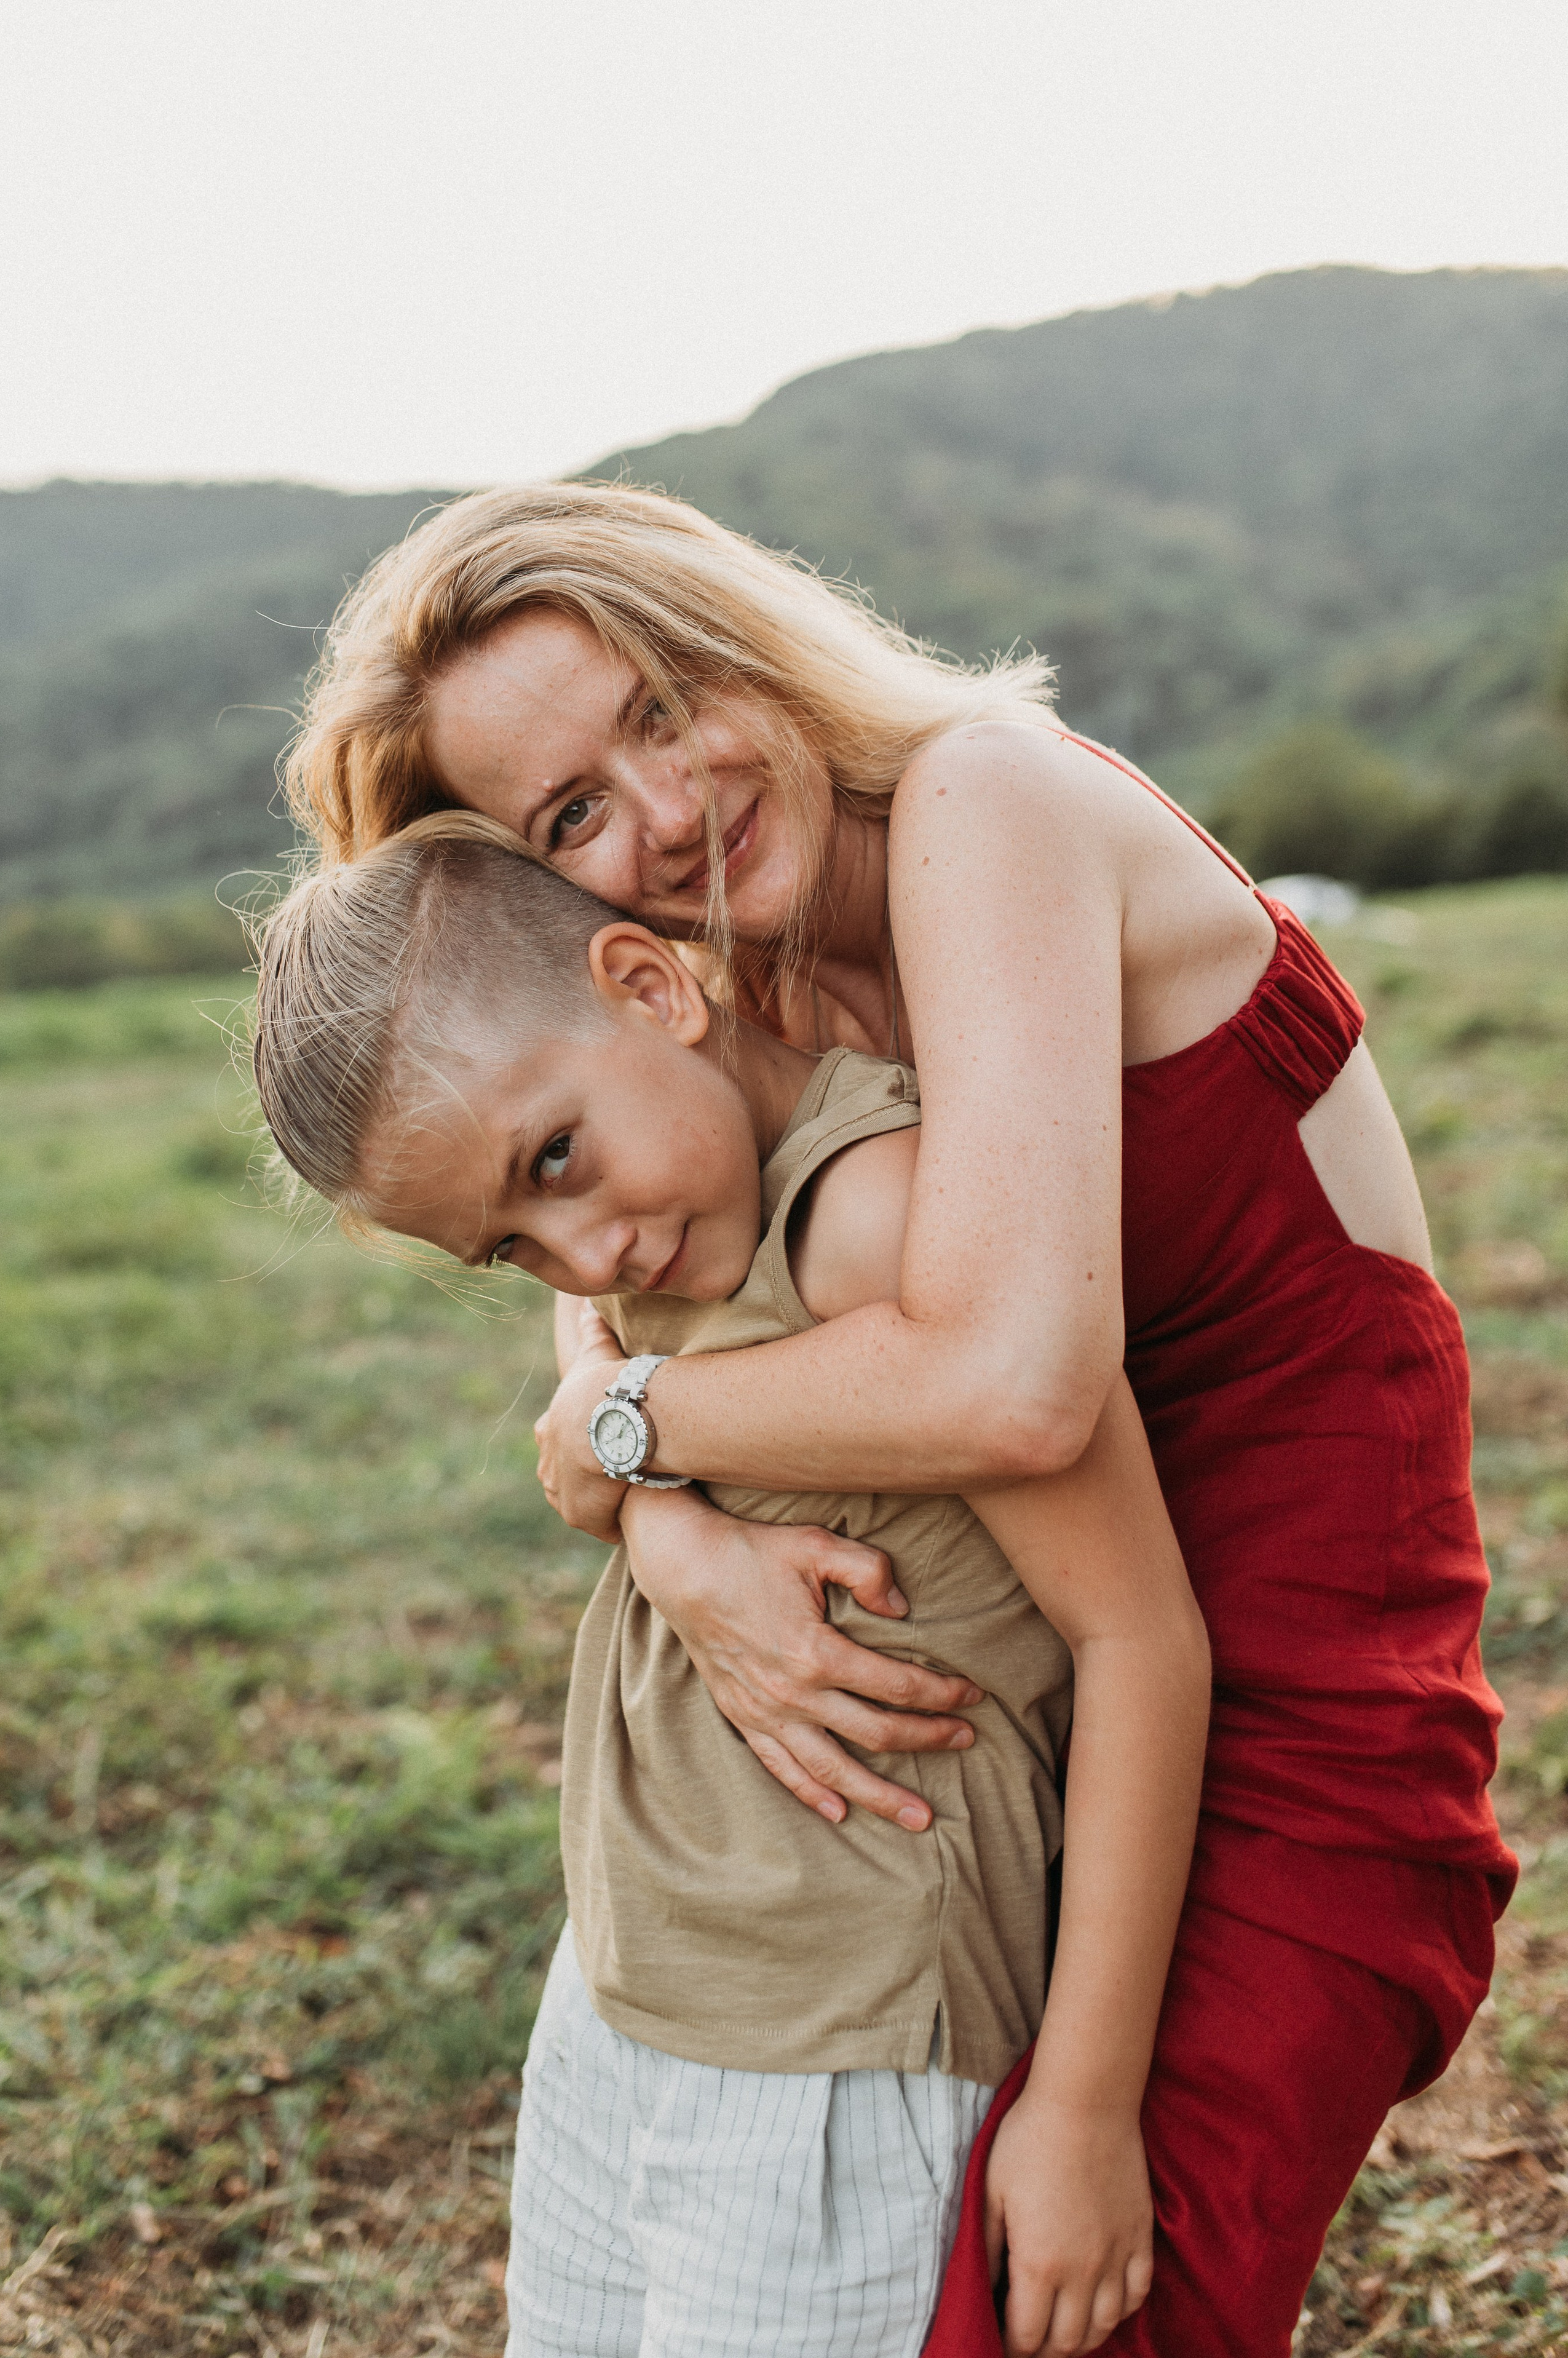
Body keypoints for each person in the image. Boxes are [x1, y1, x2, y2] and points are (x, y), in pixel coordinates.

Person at [283, 483, 1516, 2356]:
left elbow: (1012, 1385)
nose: (667, 807)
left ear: (746, 632)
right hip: (1043, 1679)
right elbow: (597, 1290)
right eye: (574, 817)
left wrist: (628, 1443)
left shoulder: (978, 803)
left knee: (1097, 2296)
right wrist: (677, 1526)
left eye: (661, 703)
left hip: (1285, 1651)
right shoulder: (720, 964)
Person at [248, 819, 1211, 2358]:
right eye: (511, 1247)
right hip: (630, 1984)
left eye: (552, 1163)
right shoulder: (659, 1222)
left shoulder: (874, 1224)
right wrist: (658, 1515)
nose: (582, 1253)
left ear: (649, 983)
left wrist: (1087, 2106)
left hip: (848, 2041)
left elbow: (1139, 1640)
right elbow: (606, 1392)